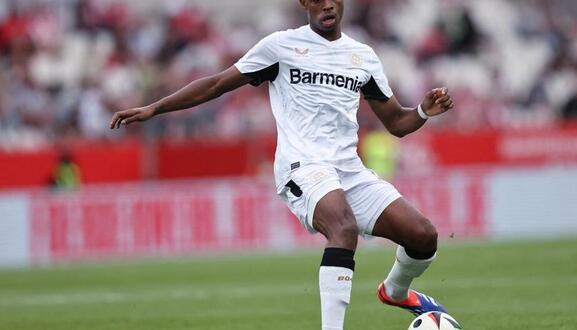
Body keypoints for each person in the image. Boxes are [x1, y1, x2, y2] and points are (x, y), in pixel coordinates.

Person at [109, 1, 455, 329]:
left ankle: (394, 292)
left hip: (348, 170)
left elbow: (396, 123)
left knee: (423, 236)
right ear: (305, 3)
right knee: (343, 229)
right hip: (301, 166)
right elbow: (216, 84)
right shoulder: (281, 47)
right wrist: (155, 108)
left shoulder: (362, 57)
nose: (327, 6)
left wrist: (423, 112)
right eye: (317, 0)